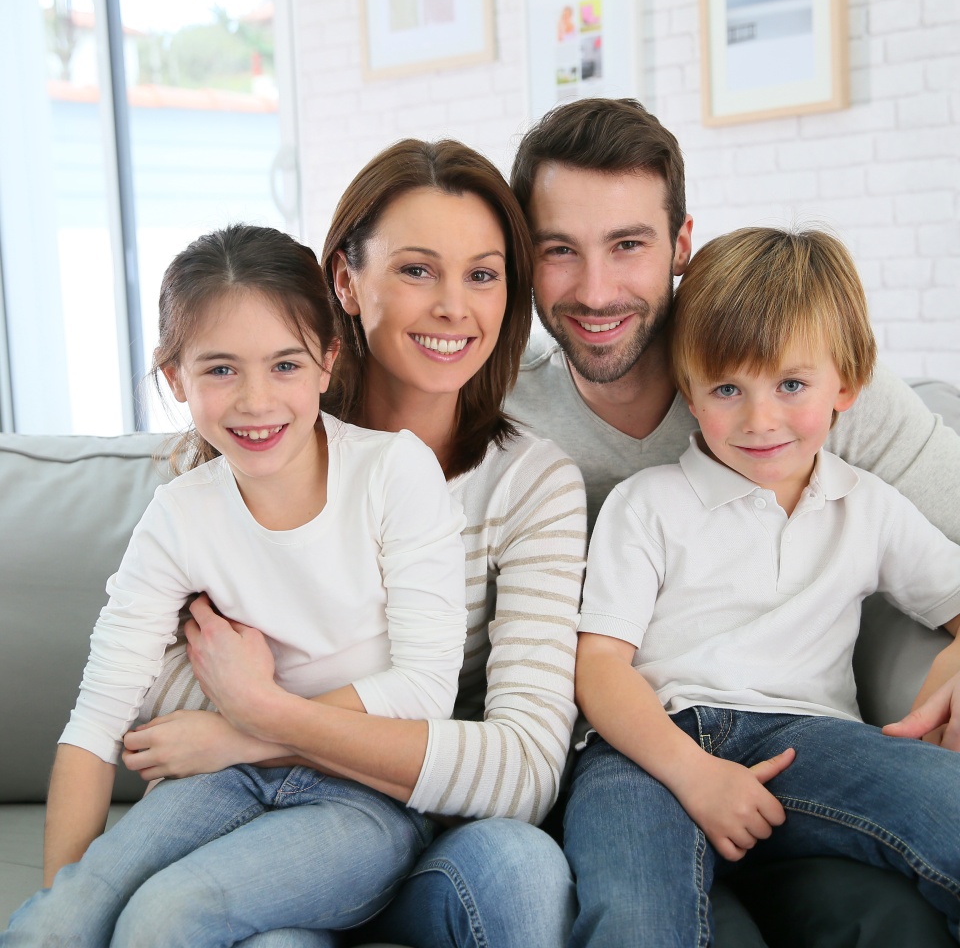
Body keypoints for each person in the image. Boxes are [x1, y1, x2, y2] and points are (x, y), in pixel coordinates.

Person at [59, 140, 588, 948]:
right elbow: (154, 700)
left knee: (525, 867)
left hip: (432, 828)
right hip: (275, 834)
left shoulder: (531, 484)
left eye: (482, 274)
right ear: (345, 281)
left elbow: (521, 769)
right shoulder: (239, 457)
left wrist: (254, 721)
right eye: (417, 270)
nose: (453, 306)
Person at [505, 96, 960, 945]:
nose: (760, 420)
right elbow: (598, 667)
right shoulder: (631, 496)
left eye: (629, 243)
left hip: (811, 742)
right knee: (643, 917)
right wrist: (694, 773)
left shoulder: (860, 486)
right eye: (560, 250)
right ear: (693, 392)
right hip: (645, 747)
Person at [1, 224, 470, 945]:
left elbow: (424, 691)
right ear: (175, 379)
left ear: (327, 361)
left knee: (167, 915)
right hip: (218, 782)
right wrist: (64, 905)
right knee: (66, 918)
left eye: (285, 365)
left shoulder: (391, 473)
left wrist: (239, 730)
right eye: (220, 370)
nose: (256, 401)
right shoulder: (180, 516)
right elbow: (97, 723)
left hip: (366, 797)